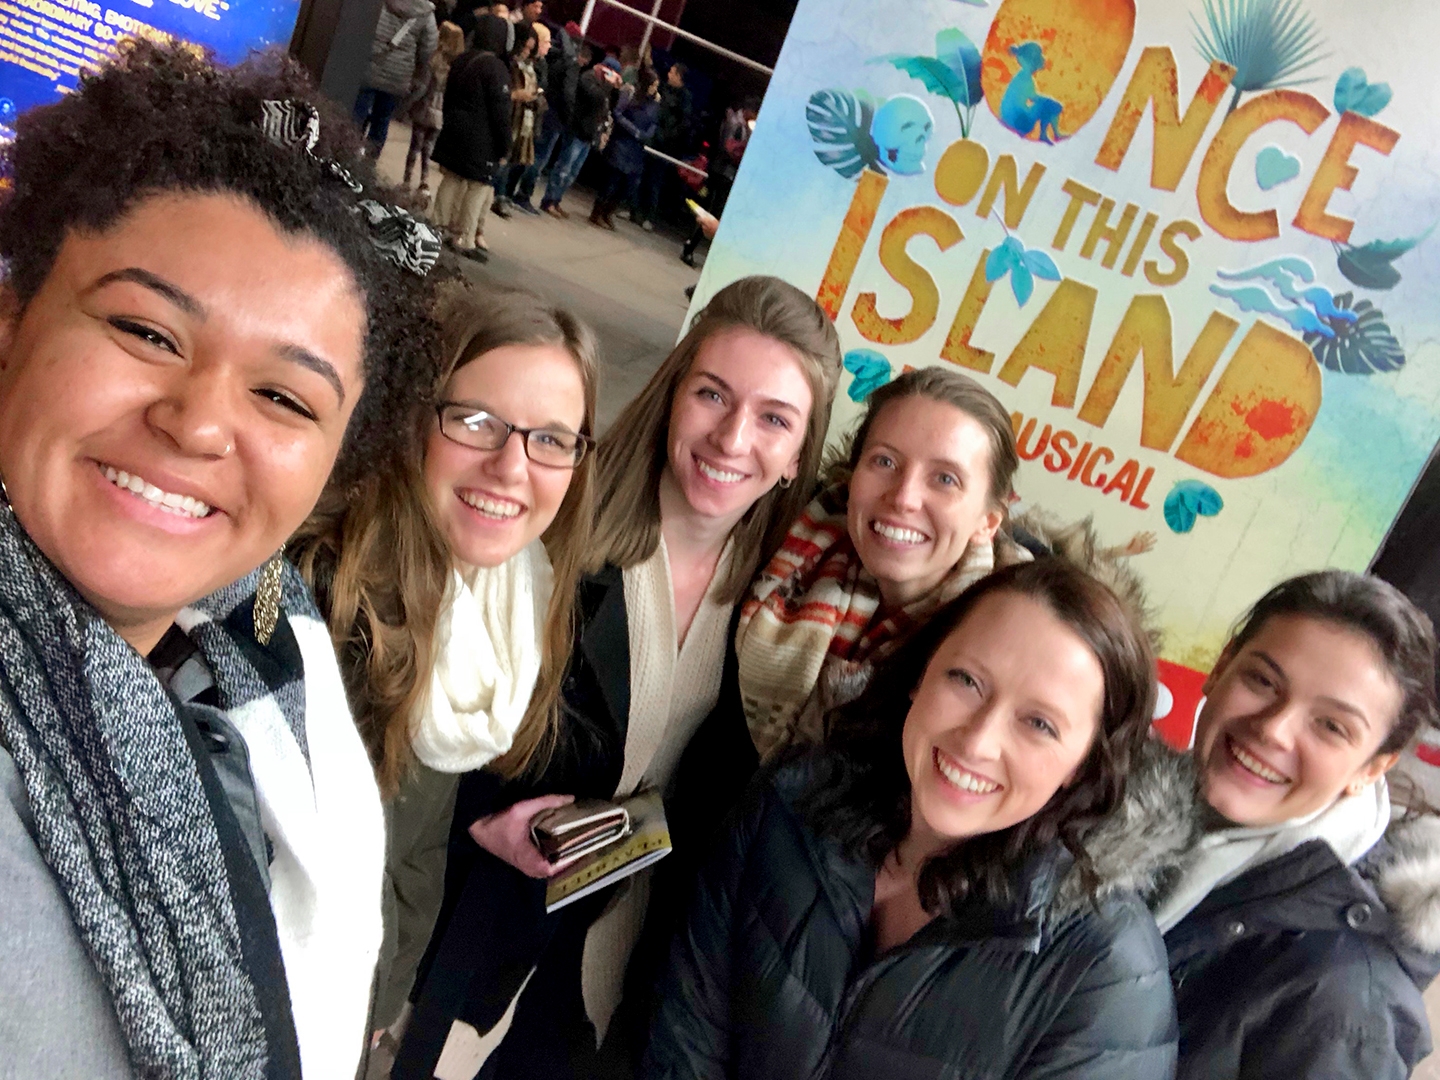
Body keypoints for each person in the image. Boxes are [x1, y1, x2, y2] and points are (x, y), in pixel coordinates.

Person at [0, 40, 442, 1079]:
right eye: (146, 330)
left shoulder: (263, 660)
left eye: (285, 397)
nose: (198, 424)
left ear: (333, 470)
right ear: (13, 320)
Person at [392, 276, 844, 1080]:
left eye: (775, 418)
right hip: (483, 923)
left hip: (625, 977)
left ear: (798, 455)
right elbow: (425, 700)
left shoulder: (788, 606)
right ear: (674, 394)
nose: (733, 438)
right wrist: (470, 821)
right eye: (712, 395)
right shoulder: (556, 531)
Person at [643, 558, 1178, 1079]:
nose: (979, 740)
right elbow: (687, 1038)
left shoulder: (1107, 971)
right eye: (966, 681)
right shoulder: (790, 802)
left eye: (1039, 723)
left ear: (1082, 766)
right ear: (920, 674)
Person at [292, 284, 599, 1072]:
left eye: (551, 439)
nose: (511, 465)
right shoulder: (328, 600)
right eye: (475, 421)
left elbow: (401, 844)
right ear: (413, 416)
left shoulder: (507, 595)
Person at [1149, 571, 1440, 1078]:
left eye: (1331, 726)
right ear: (1220, 668)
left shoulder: (1345, 1002)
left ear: (1372, 768)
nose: (1273, 729)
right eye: (1262, 681)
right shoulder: (1122, 816)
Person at [738, 367, 1031, 760]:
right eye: (885, 462)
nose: (904, 498)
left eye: (945, 479)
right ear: (852, 475)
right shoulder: (779, 546)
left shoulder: (1020, 645)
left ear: (987, 523)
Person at [430, 12, 512, 259]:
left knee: (452, 178)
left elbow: (448, 96)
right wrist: (505, 146)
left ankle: (437, 227)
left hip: (454, 130)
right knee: (478, 186)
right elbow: (500, 114)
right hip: (481, 140)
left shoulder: (462, 59)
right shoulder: (497, 69)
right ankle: (464, 238)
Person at [541, 55, 622, 219]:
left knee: (573, 172)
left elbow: (609, 106)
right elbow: (595, 97)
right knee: (564, 167)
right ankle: (548, 200)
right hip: (577, 130)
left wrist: (616, 90)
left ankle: (557, 200)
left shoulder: (606, 87)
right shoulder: (588, 77)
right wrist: (608, 85)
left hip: (589, 134)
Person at [355, 0, 440, 155]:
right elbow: (428, 49)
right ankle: (369, 161)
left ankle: (346, 153)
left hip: (369, 66)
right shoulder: (426, 13)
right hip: (398, 76)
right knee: (382, 119)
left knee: (357, 114)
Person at [510, 21, 575, 213]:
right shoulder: (558, 64)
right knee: (533, 159)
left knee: (529, 156)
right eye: (546, 42)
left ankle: (510, 192)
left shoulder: (547, 63)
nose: (550, 45)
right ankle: (518, 193)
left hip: (540, 114)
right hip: (542, 115)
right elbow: (564, 93)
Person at [680, 101, 753, 266]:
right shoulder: (739, 126)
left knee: (710, 210)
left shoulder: (732, 119)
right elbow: (730, 149)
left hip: (718, 171)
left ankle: (690, 245)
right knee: (713, 213)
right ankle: (690, 246)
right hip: (724, 173)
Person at [589, 67, 659, 230]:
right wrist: (633, 130)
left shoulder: (654, 103)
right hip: (621, 143)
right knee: (611, 182)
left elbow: (654, 122)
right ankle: (597, 212)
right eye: (653, 85)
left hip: (636, 149)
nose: (655, 89)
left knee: (628, 185)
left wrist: (646, 134)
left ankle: (608, 212)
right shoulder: (630, 93)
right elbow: (618, 113)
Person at [402, 20, 466, 196]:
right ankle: (424, 179)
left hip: (426, 105)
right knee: (429, 146)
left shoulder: (434, 59)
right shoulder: (459, 66)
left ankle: (407, 179)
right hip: (441, 110)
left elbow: (423, 86)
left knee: (415, 144)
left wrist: (409, 103)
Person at [490, 23, 543, 219]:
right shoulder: (507, 64)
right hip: (507, 113)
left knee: (511, 158)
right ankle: (496, 194)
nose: (527, 52)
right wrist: (515, 95)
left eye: (531, 48)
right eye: (525, 47)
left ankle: (500, 194)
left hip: (522, 117)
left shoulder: (530, 66)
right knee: (502, 157)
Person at [634, 62, 693, 231]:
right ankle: (633, 210)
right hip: (652, 137)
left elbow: (684, 123)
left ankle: (649, 216)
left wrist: (667, 135)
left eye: (672, 72)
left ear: (679, 76)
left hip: (666, 145)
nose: (668, 74)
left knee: (655, 181)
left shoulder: (685, 97)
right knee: (640, 175)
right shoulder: (663, 89)